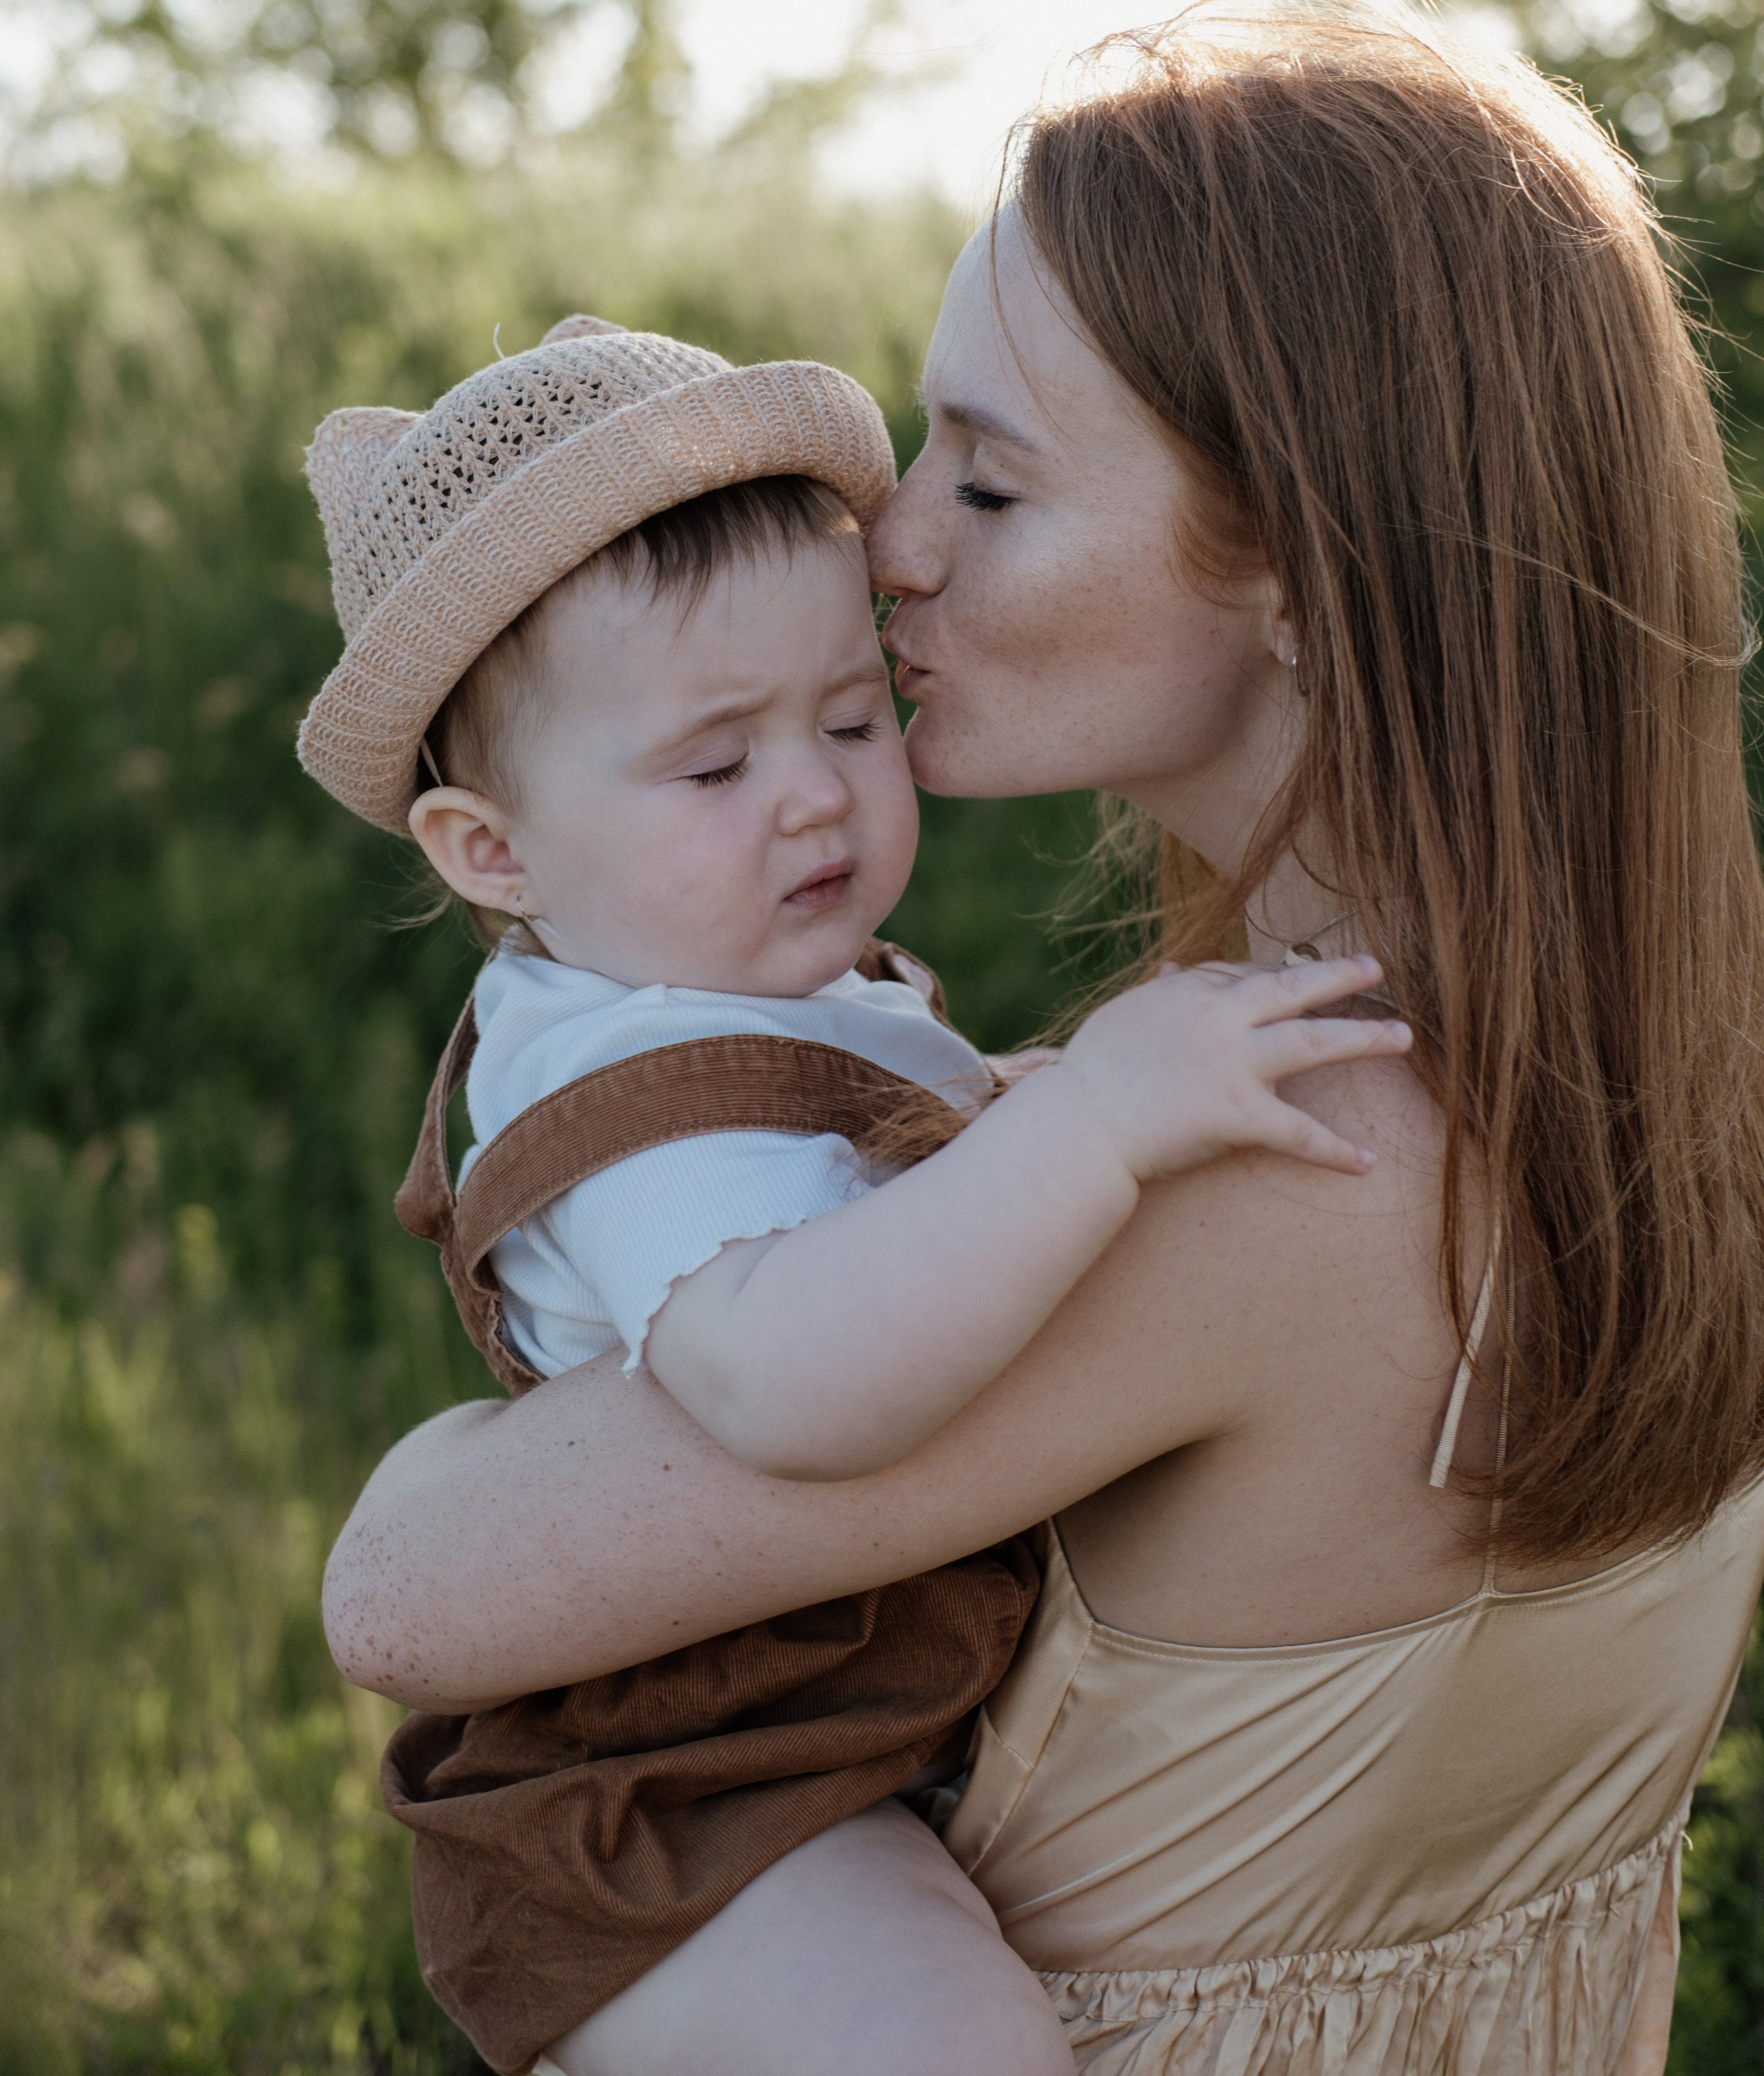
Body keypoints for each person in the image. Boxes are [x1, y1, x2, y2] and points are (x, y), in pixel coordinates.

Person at [322, 0, 1764, 2076]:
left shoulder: (1299, 1164)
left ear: (1298, 565)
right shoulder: (1626, 1075)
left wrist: (468, 1434)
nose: (889, 543)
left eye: (989, 485)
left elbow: (407, 1597)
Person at [295, 315, 1407, 2075]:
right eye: (717, 764)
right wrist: (1083, 1134)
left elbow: (859, 1194)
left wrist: (999, 1124)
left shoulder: (724, 977)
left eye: (848, 715)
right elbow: (791, 1385)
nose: (814, 793)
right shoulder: (633, 1084)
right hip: (685, 1805)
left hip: (832, 1737)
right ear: (490, 851)